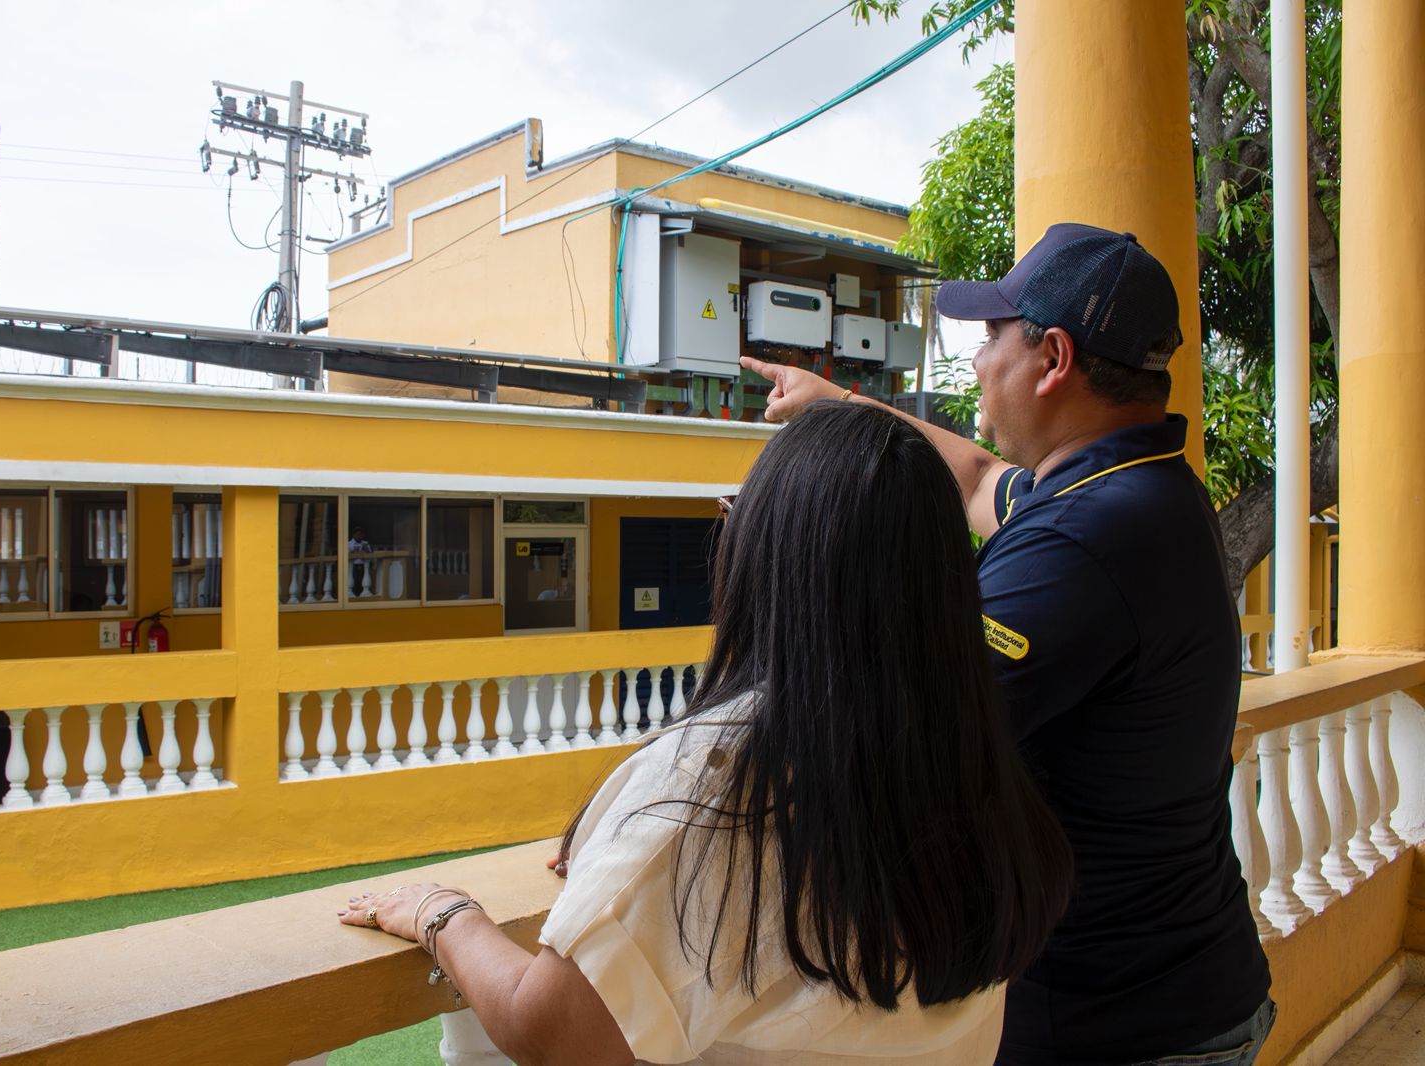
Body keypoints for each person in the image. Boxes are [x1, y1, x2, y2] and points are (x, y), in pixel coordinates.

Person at [338, 403, 1073, 1065]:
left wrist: (448, 917)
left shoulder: (719, 786)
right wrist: (635, 858)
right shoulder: (972, 764)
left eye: (733, 517)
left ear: (770, 562)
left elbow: (552, 1033)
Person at [741, 222, 1274, 1065]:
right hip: (1183, 991)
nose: (979, 361)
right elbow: (980, 479)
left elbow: (899, 735)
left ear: (1053, 358)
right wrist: (838, 407)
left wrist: (784, 568)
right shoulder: (1137, 487)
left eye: (993, 335)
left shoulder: (1084, 543)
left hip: (1120, 1028)